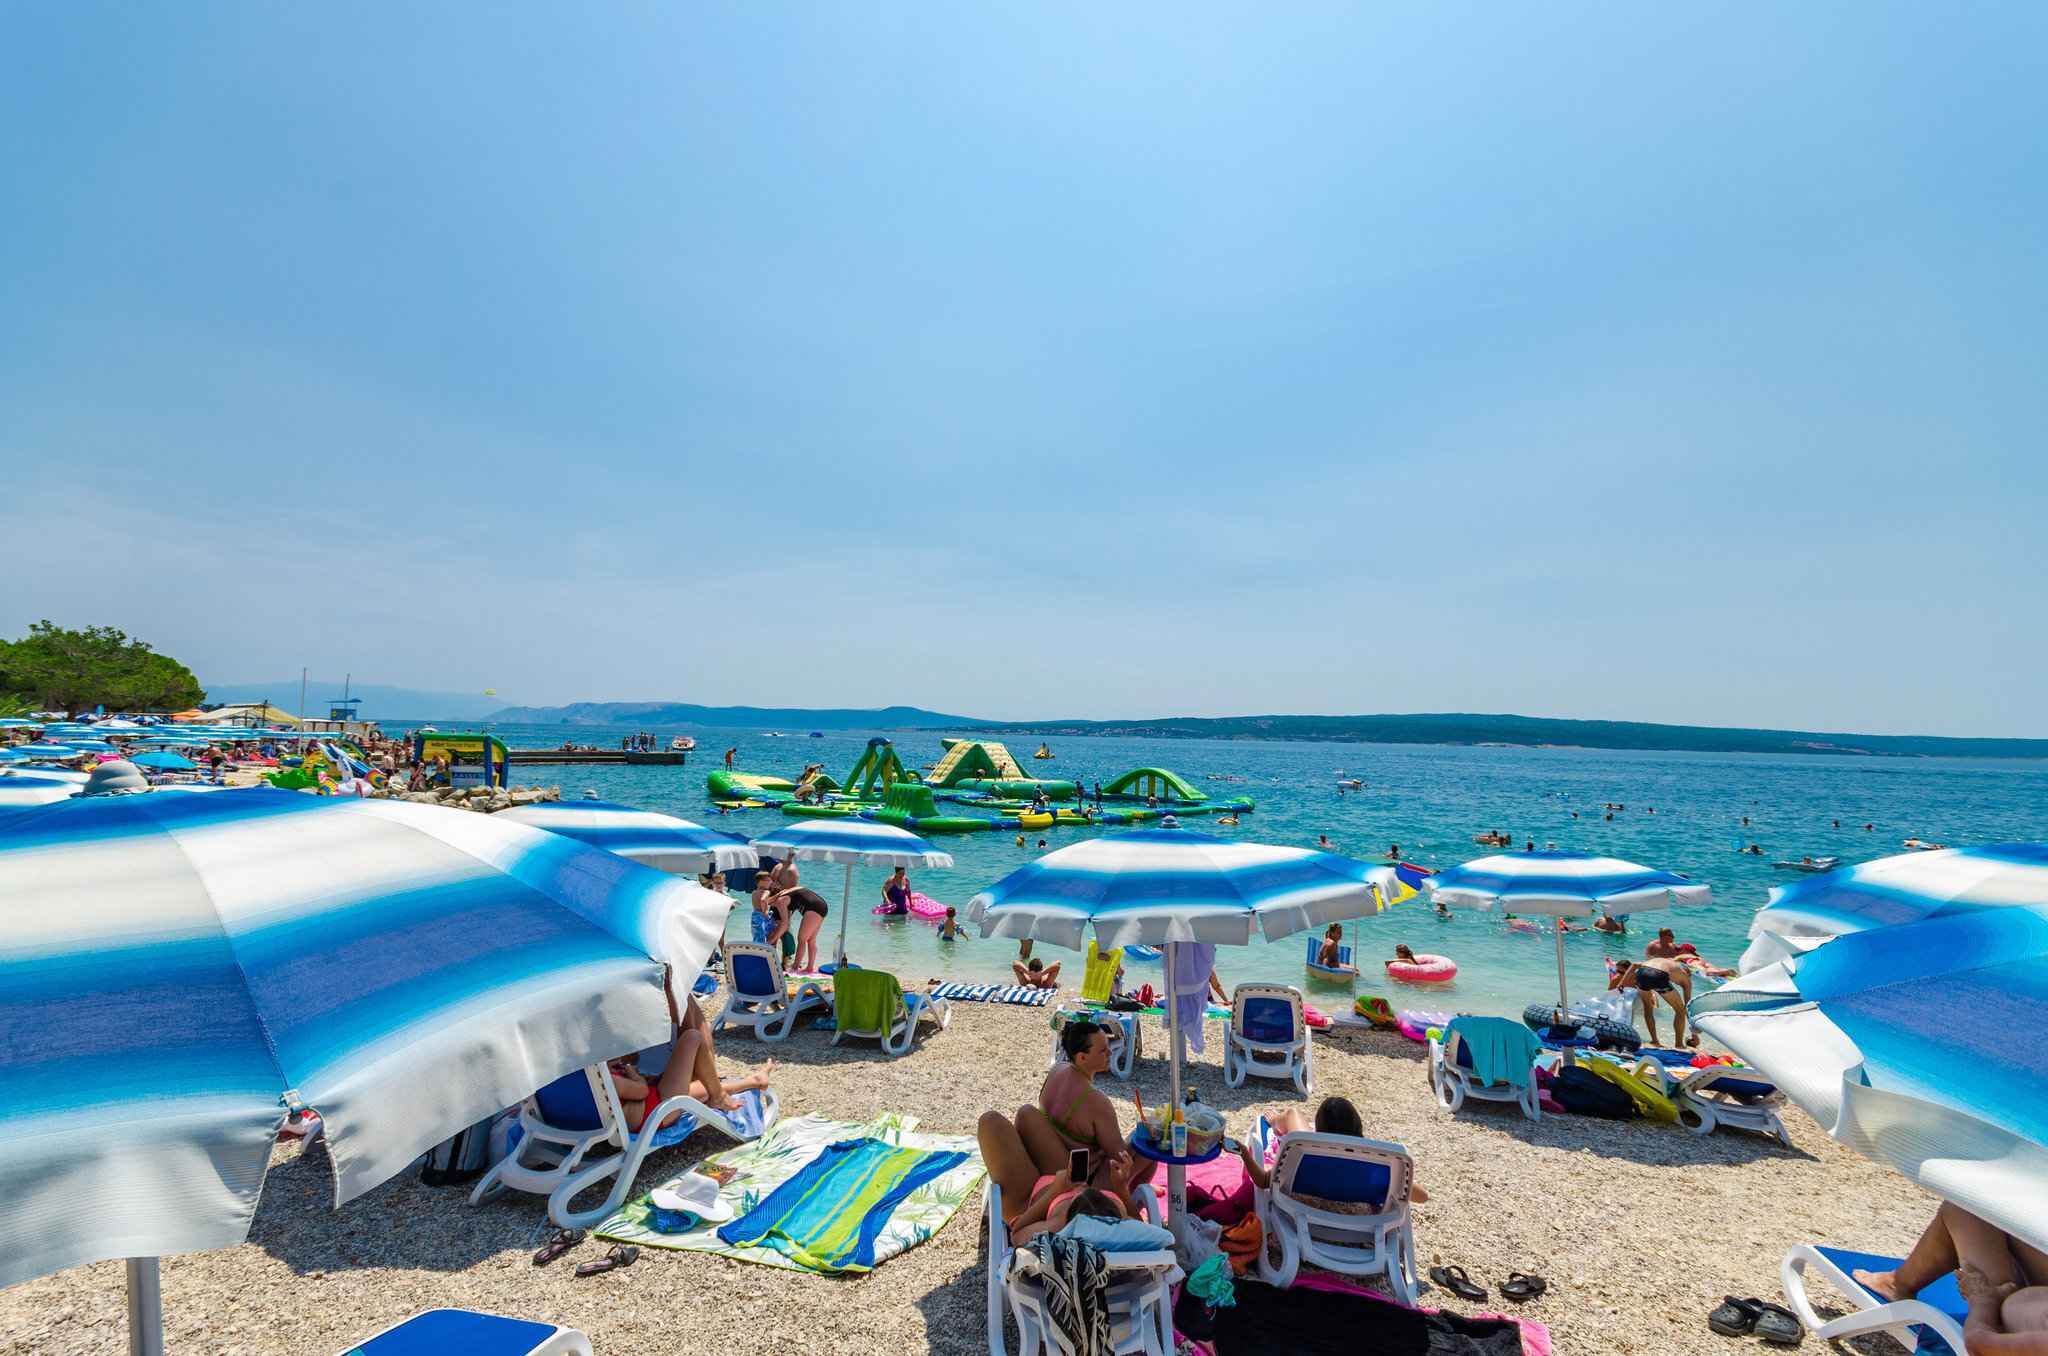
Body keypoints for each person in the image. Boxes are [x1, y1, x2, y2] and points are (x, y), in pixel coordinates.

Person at [1851, 1203, 2048, 1353]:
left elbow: (1979, 1343)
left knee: (1965, 1210)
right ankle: (1898, 1282)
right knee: (1991, 1205)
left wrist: (1983, 1301)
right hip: (2027, 1305)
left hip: (1999, 1312)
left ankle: (1898, 1283)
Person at [1235, 1097, 1430, 1205]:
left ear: (1319, 1131)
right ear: (1358, 1129)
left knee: (1293, 1114)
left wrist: (1244, 1152)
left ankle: (1276, 1120)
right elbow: (1422, 1197)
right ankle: (1280, 1119)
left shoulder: (1301, 1153)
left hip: (1311, 1170)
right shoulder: (1380, 1165)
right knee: (1293, 1116)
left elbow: (1262, 1181)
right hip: (1361, 1219)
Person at [606, 1023, 776, 1128]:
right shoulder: (609, 1082)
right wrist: (631, 1072)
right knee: (693, 1037)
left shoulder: (586, 1079)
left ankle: (753, 1081)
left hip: (648, 1109)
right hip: (655, 1114)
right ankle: (718, 1096)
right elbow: (641, 1091)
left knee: (701, 1088)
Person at [1611, 957, 1696, 1046]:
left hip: (1642, 973)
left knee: (1648, 1008)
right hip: (1659, 975)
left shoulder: (1666, 962)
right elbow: (1688, 1007)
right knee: (1680, 1011)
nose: (1677, 983)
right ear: (1687, 972)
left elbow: (1634, 965)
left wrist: (1621, 983)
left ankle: (1655, 1040)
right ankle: (1679, 1044)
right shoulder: (1685, 977)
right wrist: (1695, 1034)